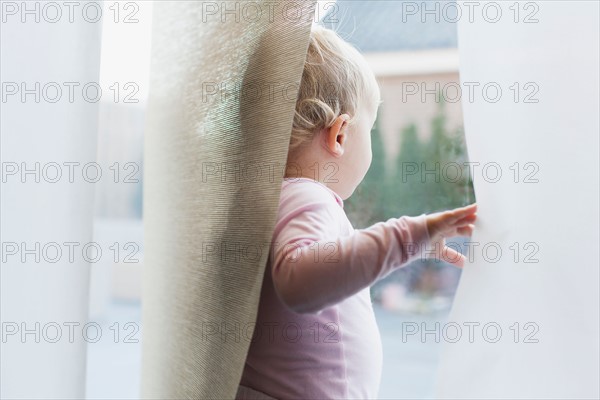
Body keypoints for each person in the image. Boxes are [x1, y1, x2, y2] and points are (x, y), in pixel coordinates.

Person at [236, 24, 477, 400]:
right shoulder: (306, 196)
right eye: (372, 128)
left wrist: (410, 247)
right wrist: (409, 234)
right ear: (340, 135)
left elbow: (330, 261)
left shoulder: (268, 200)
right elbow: (298, 281)